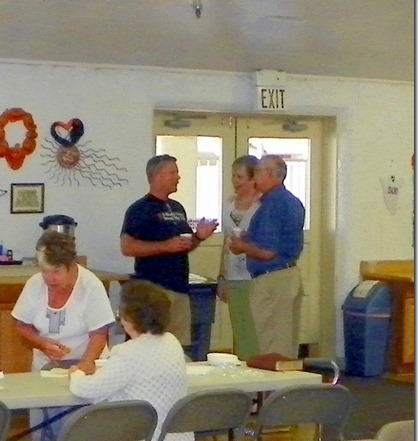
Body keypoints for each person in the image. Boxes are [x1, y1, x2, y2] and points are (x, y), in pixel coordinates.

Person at [12, 230, 115, 441]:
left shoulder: (90, 286)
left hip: (86, 368)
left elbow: (99, 333)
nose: (49, 277)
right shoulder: (35, 284)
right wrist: (41, 343)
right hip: (46, 370)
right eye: (44, 271)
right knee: (41, 432)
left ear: (72, 266)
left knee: (85, 435)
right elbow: (20, 325)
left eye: (55, 271)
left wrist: (86, 364)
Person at [69, 280, 194, 441]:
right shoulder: (172, 342)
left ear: (129, 318)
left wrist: (77, 372)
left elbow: (87, 391)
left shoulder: (127, 352)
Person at [120, 153, 217, 347]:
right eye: (173, 172)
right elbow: (127, 247)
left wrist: (199, 236)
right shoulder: (139, 209)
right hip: (153, 291)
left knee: (177, 346)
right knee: (149, 344)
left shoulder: (177, 207)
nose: (178, 177)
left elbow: (184, 245)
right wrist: (165, 246)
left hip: (180, 289)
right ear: (156, 176)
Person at [230, 155, 305, 358]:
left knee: (272, 345)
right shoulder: (290, 202)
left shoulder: (273, 204)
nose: (254, 176)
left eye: (258, 171)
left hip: (273, 280)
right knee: (285, 342)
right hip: (287, 275)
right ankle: (286, 387)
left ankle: (275, 389)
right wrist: (250, 238)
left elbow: (267, 251)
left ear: (270, 175)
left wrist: (241, 246)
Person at [217, 155, 261, 360]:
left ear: (253, 179)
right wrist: (221, 277)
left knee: (254, 330)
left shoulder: (262, 205)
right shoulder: (229, 204)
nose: (235, 181)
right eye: (233, 176)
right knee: (239, 329)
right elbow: (225, 243)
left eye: (240, 177)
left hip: (254, 276)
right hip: (233, 275)